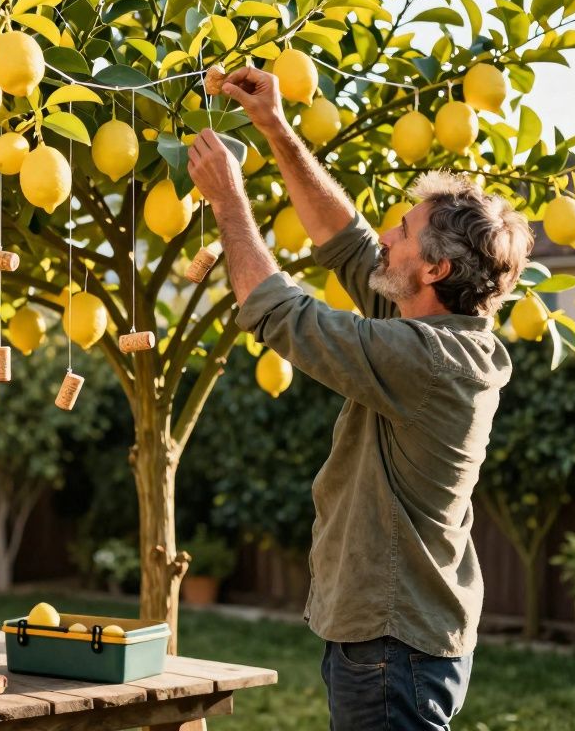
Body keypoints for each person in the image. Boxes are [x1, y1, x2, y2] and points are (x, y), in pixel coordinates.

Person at [186, 66, 532, 729]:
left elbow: (278, 311)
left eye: (403, 231)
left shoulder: (429, 359)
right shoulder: (427, 324)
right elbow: (346, 241)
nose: (388, 236)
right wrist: (276, 130)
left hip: (392, 648)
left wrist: (230, 203)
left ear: (436, 269)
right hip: (394, 639)